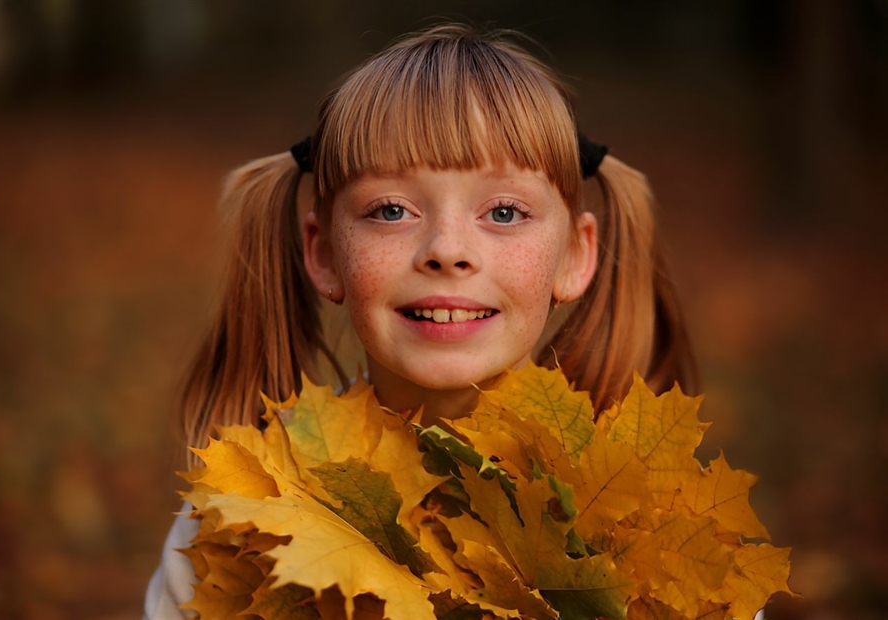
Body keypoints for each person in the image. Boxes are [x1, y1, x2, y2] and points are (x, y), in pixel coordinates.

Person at [143, 23, 698, 619]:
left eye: (505, 212)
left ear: (576, 255)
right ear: (325, 253)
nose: (446, 248)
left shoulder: (651, 519)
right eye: (391, 210)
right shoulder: (245, 515)